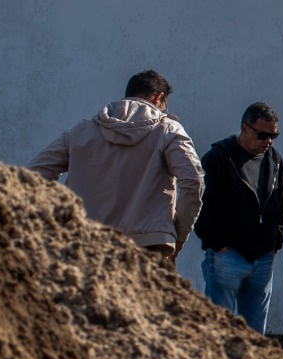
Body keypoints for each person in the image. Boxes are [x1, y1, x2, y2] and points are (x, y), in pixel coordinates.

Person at [28, 69, 203, 260]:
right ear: (158, 97)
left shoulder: (80, 131)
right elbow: (193, 180)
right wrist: (179, 233)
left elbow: (34, 174)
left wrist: (57, 221)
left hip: (85, 245)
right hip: (147, 247)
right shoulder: (168, 130)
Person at [194, 102, 283, 332]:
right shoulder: (219, 157)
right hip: (227, 256)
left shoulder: (275, 161)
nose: (268, 140)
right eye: (263, 134)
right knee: (220, 329)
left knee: (255, 334)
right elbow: (199, 203)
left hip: (263, 257)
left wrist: (275, 241)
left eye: (273, 135)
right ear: (245, 128)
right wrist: (216, 243)